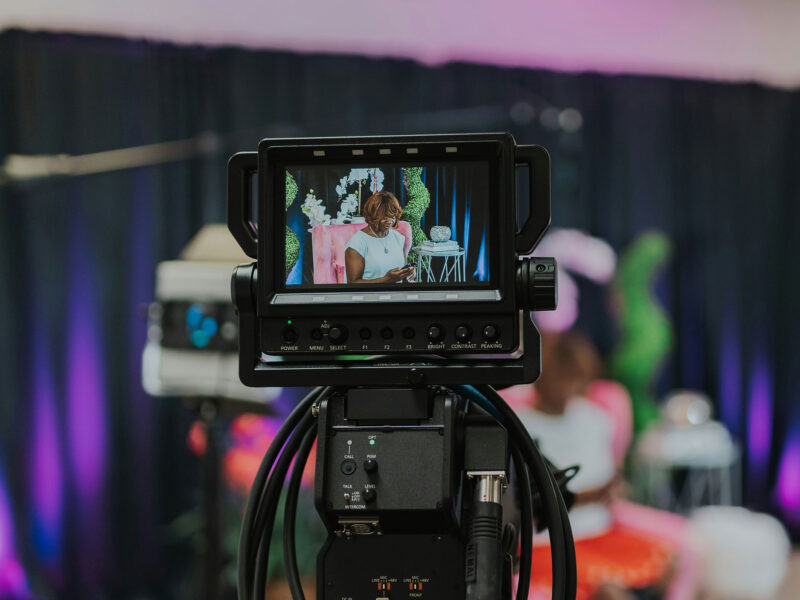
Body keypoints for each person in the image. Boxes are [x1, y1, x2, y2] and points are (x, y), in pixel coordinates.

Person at [516, 331, 676, 600]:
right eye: (562, 378)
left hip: (601, 532)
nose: (568, 388)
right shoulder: (519, 426)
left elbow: (611, 472)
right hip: (550, 543)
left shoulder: (595, 418)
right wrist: (585, 497)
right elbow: (526, 505)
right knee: (610, 591)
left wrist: (613, 488)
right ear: (540, 378)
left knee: (670, 562)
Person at [344, 191, 414, 284]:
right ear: (373, 216)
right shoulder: (357, 243)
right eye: (385, 217)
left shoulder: (398, 238)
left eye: (392, 217)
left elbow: (402, 273)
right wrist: (386, 280)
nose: (390, 222)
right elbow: (352, 283)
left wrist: (408, 274)